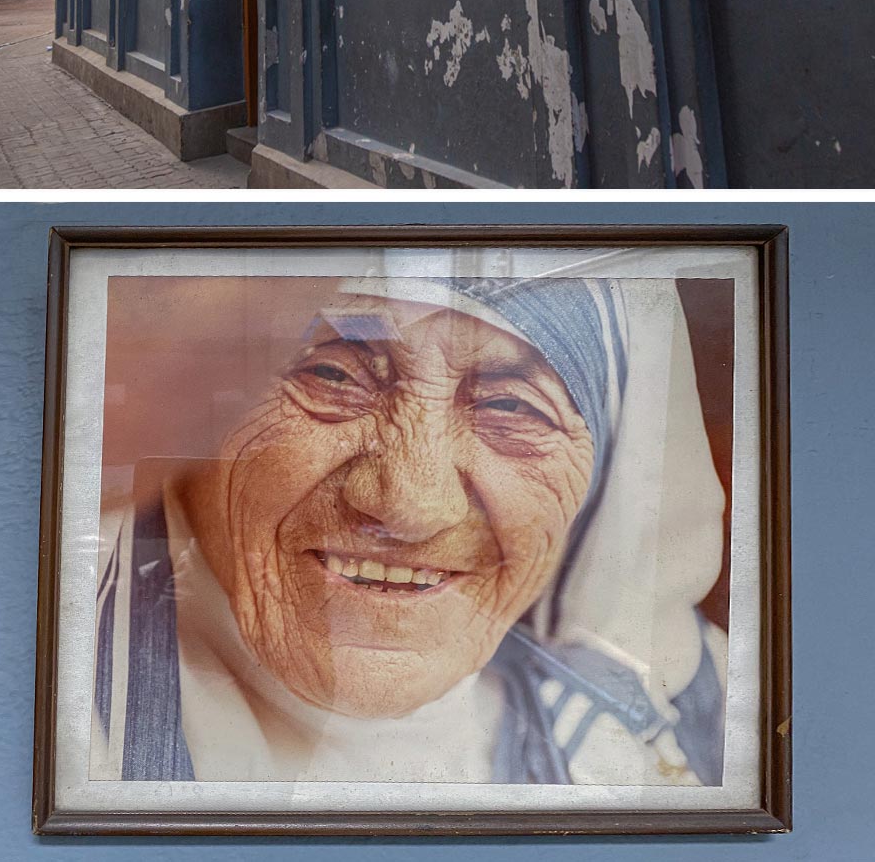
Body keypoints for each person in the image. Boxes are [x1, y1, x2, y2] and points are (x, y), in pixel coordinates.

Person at [91, 276, 727, 787]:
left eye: (510, 407)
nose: (410, 504)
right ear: (191, 426)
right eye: (332, 375)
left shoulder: (686, 741)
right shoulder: (44, 713)